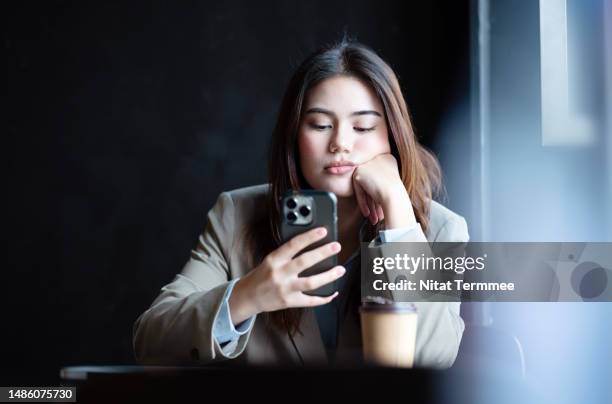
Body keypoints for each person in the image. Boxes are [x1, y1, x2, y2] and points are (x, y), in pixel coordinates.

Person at [133, 39, 469, 368]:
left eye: (363, 126)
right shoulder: (236, 215)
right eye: (320, 125)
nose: (340, 143)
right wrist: (248, 295)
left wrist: (397, 212)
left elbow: (432, 358)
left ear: (392, 136)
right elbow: (151, 338)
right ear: (294, 135)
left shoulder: (441, 229)